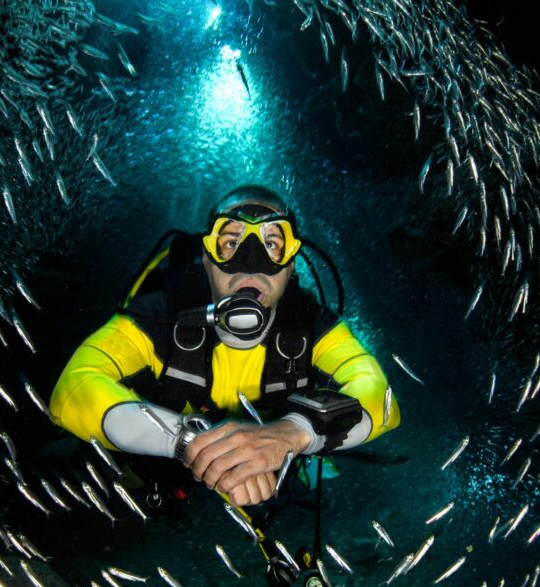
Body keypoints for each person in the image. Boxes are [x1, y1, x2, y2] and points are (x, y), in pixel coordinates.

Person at [49, 185, 399, 508]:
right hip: (158, 472)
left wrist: (290, 434)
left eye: (272, 244)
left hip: (271, 472)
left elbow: (380, 397)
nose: (251, 264)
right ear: (206, 258)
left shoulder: (315, 328)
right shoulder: (157, 318)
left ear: (291, 264)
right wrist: (191, 443)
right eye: (230, 243)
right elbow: (72, 388)